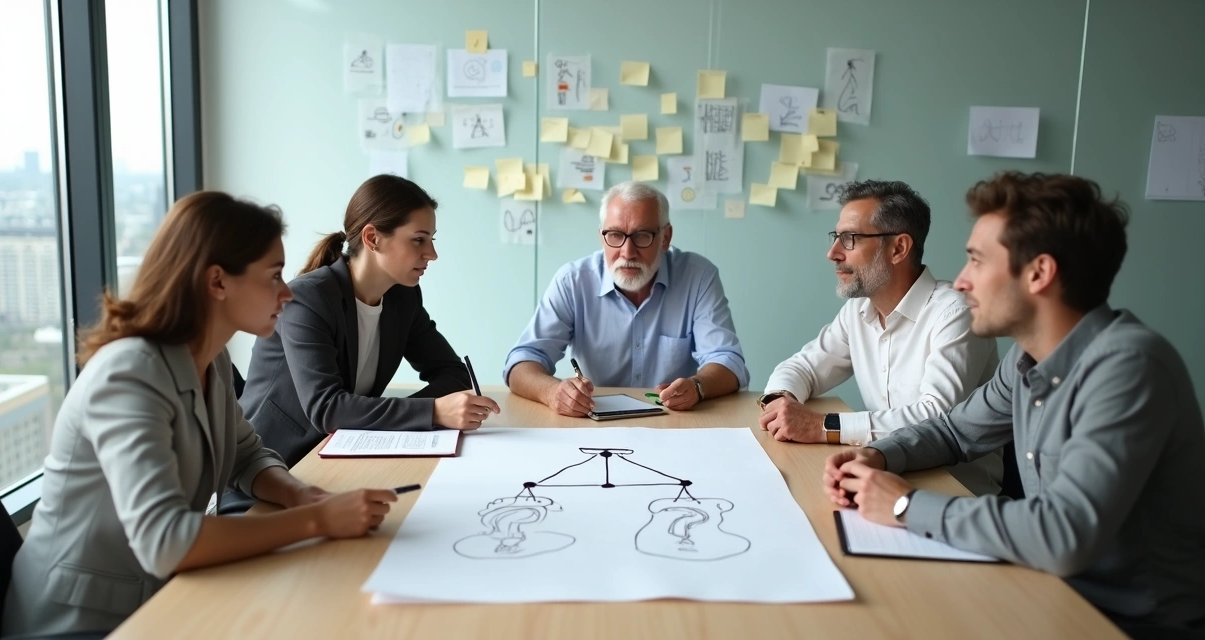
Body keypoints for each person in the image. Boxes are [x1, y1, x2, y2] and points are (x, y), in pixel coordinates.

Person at [823, 172, 1205, 632]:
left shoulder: (1129, 367)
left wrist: (905, 507)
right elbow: (953, 431)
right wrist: (881, 454)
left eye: (977, 262)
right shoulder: (1027, 358)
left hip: (1123, 623)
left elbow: (1063, 534)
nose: (960, 282)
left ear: (1039, 273)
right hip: (1047, 592)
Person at [3, 192, 399, 636]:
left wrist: (299, 494)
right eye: (273, 276)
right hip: (78, 622)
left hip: (155, 599)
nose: (287, 293)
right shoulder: (128, 374)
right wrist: (316, 520)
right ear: (217, 282)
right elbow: (165, 541)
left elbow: (246, 454)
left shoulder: (208, 360)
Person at [759, 180, 1001, 495]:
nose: (832, 253)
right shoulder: (858, 311)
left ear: (899, 248)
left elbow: (936, 420)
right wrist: (781, 400)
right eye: (837, 238)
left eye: (850, 239)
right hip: (882, 479)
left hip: (955, 493)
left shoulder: (956, 312)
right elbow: (803, 366)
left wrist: (822, 426)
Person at [240, 175, 499, 468]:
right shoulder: (307, 299)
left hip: (343, 455)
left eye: (431, 240)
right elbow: (327, 408)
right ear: (372, 238)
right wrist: (432, 412)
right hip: (272, 466)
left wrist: (428, 412)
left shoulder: (403, 298)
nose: (432, 254)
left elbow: (453, 373)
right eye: (419, 239)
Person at [504, 181, 748, 416]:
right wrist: (552, 392)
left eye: (642, 236)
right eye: (615, 235)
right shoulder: (573, 281)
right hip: (595, 421)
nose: (627, 252)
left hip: (674, 422)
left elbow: (728, 361)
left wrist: (697, 387)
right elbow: (522, 361)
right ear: (602, 237)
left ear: (665, 238)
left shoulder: (698, 277)